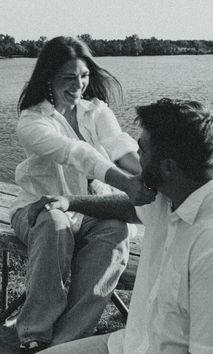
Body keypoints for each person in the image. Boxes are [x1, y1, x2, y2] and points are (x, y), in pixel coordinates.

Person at [36, 98, 213, 354]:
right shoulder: (176, 190)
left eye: (141, 150)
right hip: (130, 343)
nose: (135, 156)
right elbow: (132, 208)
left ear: (167, 167)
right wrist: (71, 201)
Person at [9, 36, 156, 354]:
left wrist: (149, 177)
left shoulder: (96, 109)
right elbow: (76, 153)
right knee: (54, 222)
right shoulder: (32, 121)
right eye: (68, 78)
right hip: (35, 210)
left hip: (88, 210)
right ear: (48, 77)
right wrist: (127, 184)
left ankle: (66, 342)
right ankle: (34, 331)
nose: (79, 85)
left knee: (116, 230)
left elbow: (119, 146)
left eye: (84, 76)